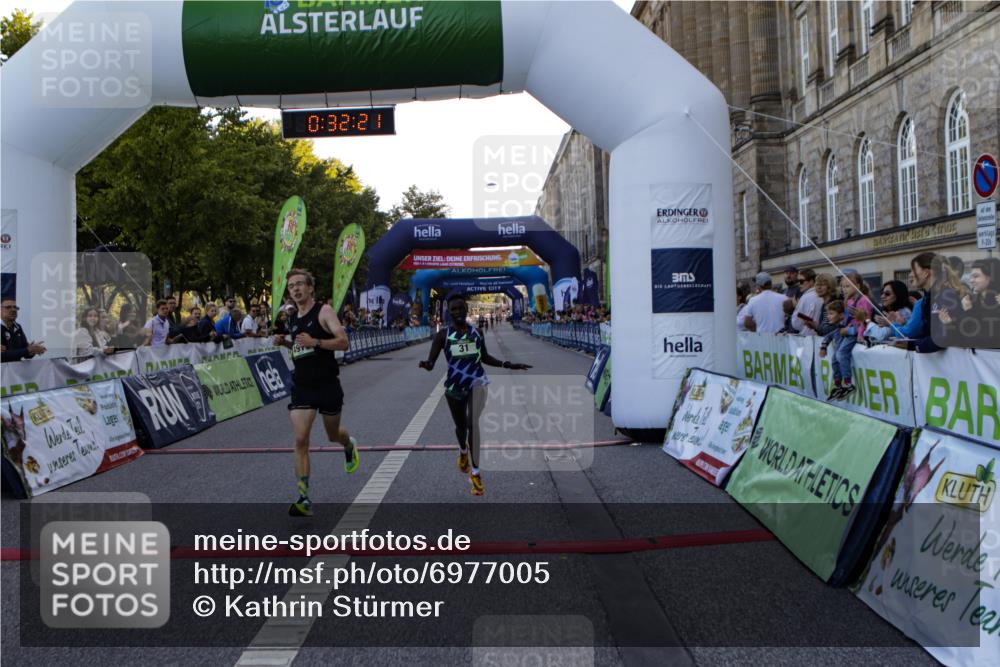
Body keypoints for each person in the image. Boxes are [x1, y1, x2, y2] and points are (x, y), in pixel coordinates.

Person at [417, 294, 531, 496]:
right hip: (454, 387)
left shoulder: (477, 333)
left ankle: (476, 473)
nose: (458, 312)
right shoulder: (443, 335)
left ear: (467, 310)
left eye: (461, 308)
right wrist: (427, 365)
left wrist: (508, 364)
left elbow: (484, 357)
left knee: (473, 425)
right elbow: (432, 363)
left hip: (477, 382)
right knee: (461, 428)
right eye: (454, 309)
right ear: (449, 312)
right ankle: (463, 451)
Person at [272, 268, 359, 517]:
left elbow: (343, 342)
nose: (296, 289)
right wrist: (286, 343)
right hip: (302, 386)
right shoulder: (292, 318)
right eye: (291, 286)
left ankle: (348, 444)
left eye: (300, 284)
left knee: (333, 435)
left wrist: (317, 342)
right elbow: (302, 348)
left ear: (310, 288)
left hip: (327, 384)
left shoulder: (324, 311)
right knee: (300, 439)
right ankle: (303, 497)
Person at [825, 270, 875, 399]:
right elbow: (847, 320)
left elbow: (864, 320)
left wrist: (858, 334)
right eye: (843, 286)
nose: (844, 289)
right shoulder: (849, 301)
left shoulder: (864, 300)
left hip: (854, 333)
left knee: (841, 353)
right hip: (846, 332)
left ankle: (848, 384)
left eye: (847, 286)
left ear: (857, 286)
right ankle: (838, 385)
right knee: (835, 358)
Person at [790, 269, 824, 335]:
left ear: (811, 281)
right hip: (821, 335)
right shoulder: (823, 295)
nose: (799, 284)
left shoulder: (805, 297)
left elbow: (796, 324)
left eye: (801, 281)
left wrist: (795, 307)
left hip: (808, 336)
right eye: (797, 281)